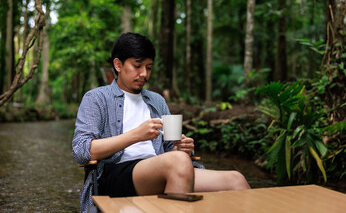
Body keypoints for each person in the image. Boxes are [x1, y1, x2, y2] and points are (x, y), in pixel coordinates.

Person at [72, 32, 250, 213]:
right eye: (137, 66)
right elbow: (81, 151)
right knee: (177, 162)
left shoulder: (156, 100)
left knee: (236, 180)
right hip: (113, 175)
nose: (144, 74)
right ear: (118, 65)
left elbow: (168, 152)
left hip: (162, 169)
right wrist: (135, 135)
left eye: (148, 67)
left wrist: (181, 149)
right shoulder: (96, 98)